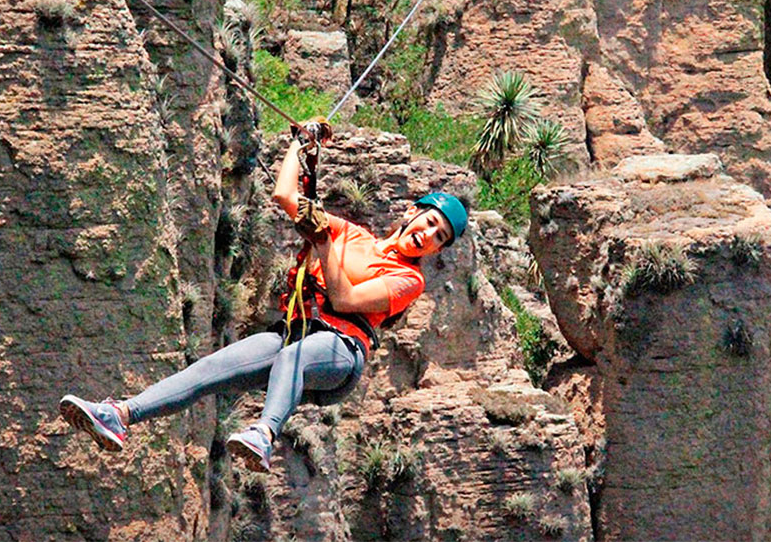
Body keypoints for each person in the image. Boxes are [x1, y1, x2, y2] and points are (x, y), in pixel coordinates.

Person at [58, 132, 469, 472]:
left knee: (294, 358)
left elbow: (345, 301)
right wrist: (301, 142)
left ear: (436, 251)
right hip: (297, 329)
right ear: (414, 212)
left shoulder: (408, 280)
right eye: (431, 222)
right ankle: (120, 415)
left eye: (440, 238)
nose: (430, 235)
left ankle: (264, 435)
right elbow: (284, 194)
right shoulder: (354, 235)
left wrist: (321, 241)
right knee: (211, 369)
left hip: (340, 350)